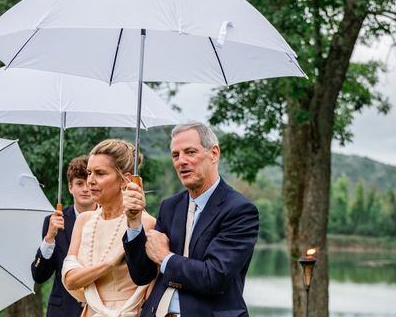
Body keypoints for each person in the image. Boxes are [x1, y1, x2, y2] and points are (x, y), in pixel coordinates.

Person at [122, 121, 259, 317]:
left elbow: (214, 277)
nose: (181, 161)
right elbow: (141, 275)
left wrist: (165, 257)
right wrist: (134, 222)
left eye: (190, 152)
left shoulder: (240, 210)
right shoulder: (170, 206)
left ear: (214, 153)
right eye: (176, 155)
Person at [62, 139, 156, 317]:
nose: (90, 181)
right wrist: (109, 263)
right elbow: (69, 280)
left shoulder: (148, 223)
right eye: (89, 173)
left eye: (100, 173)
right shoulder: (83, 220)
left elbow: (150, 287)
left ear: (124, 180)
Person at [32, 155, 97, 317]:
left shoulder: (110, 219)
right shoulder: (54, 221)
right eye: (79, 184)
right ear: (70, 187)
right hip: (63, 310)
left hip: (99, 308)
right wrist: (49, 238)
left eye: (89, 183)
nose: (85, 189)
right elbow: (39, 275)